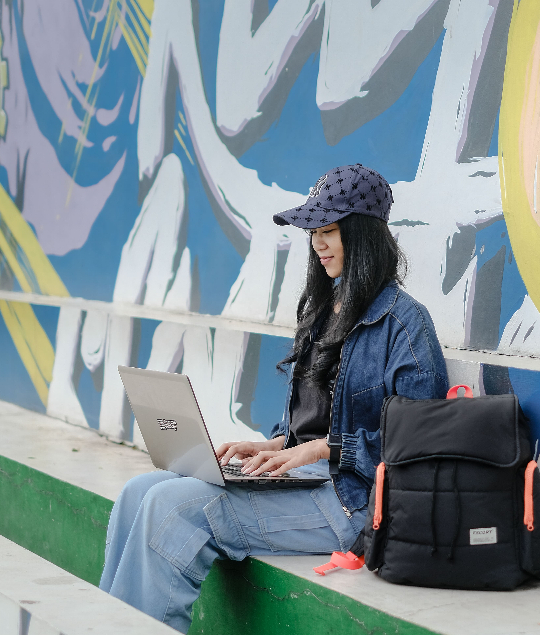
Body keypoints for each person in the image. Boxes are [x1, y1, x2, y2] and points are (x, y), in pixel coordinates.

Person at [99, 164, 448, 632]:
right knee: (137, 492)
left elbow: (421, 446)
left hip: (352, 501)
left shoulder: (405, 325)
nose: (317, 244)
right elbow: (310, 423)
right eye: (313, 232)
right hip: (305, 481)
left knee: (173, 508)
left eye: (328, 231)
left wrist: (325, 449)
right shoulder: (325, 311)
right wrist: (275, 445)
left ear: (363, 234)